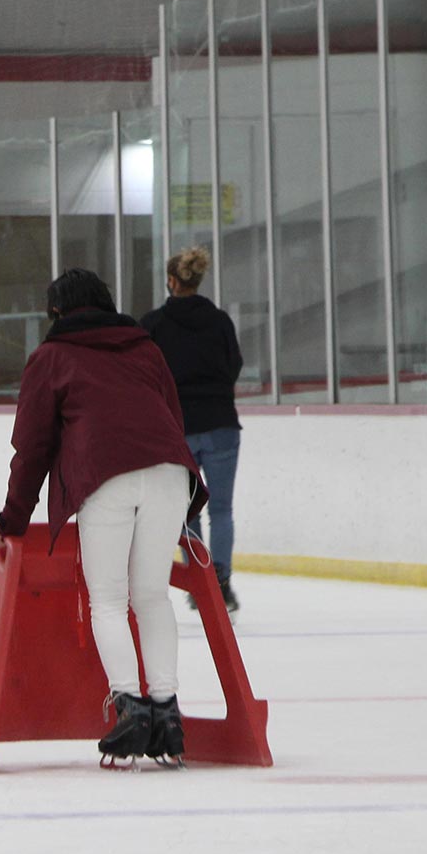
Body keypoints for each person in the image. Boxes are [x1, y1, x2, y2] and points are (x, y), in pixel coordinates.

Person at [0, 269, 208, 767]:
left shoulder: (50, 358)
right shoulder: (144, 347)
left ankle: (131, 710)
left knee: (109, 601)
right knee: (153, 597)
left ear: (54, 312)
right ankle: (167, 715)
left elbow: (32, 448)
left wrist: (14, 517)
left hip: (104, 476)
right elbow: (172, 420)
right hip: (170, 474)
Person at [141, 244, 244, 613]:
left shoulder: (153, 325)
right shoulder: (219, 321)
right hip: (221, 424)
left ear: (171, 281)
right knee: (222, 510)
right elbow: (234, 365)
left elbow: (144, 374)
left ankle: (199, 582)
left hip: (176, 428)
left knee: (187, 511)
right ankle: (223, 583)